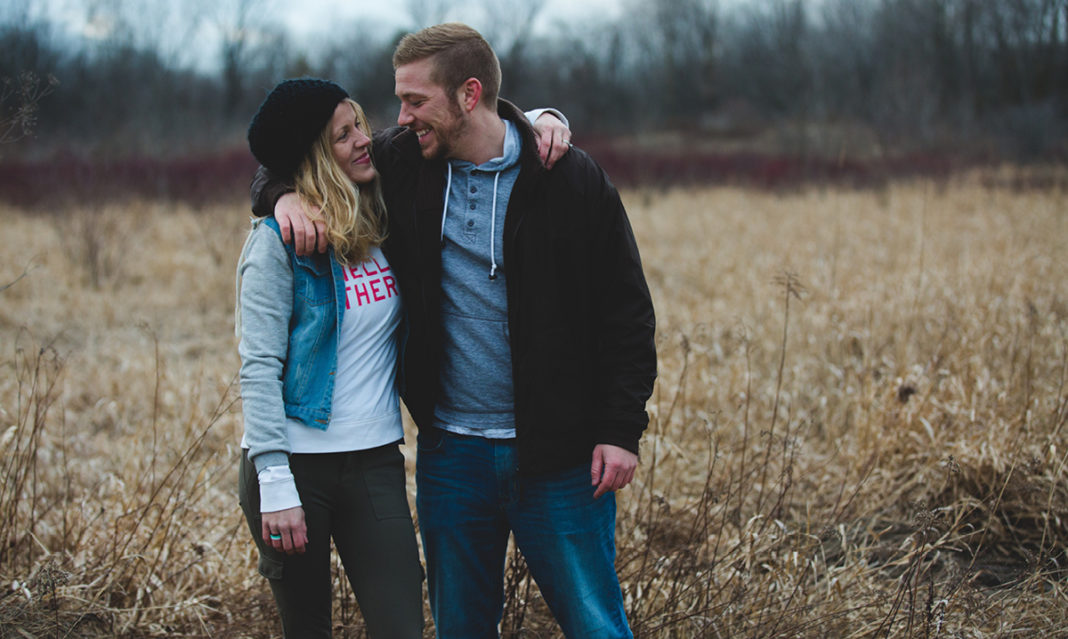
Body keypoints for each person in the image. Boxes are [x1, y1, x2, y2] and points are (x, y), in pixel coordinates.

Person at [254, 23, 656, 639]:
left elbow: (626, 314)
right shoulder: (406, 164)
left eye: (416, 100)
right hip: (452, 457)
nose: (400, 116)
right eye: (399, 100)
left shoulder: (569, 178)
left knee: (597, 625)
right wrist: (278, 194)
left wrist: (620, 430)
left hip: (559, 456)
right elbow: (311, 157)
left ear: (469, 95)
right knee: (460, 629)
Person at [236, 78, 423, 638]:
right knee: (308, 628)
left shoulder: (381, 214)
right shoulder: (277, 244)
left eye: (359, 123)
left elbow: (463, 128)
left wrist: (538, 116)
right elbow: (258, 368)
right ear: (315, 156)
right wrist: (274, 481)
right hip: (293, 465)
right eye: (343, 135)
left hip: (374, 460)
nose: (364, 140)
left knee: (403, 626)